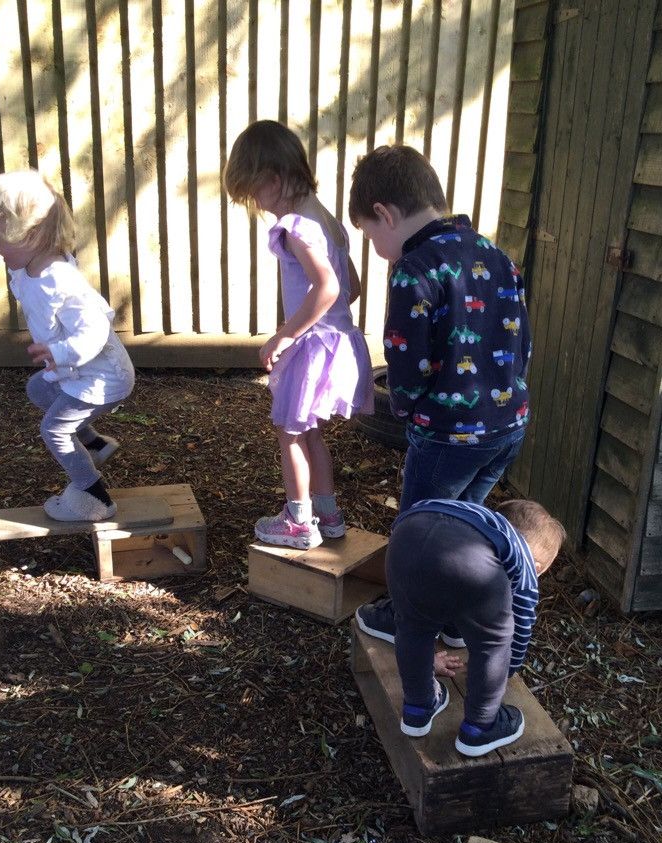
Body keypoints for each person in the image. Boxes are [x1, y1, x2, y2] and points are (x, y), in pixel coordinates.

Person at [348, 144, 532, 643]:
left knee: (418, 536)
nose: (374, 246)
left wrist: (402, 409)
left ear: (384, 214)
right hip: (507, 426)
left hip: (449, 434)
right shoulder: (497, 255)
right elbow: (521, 341)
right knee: (465, 530)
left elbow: (408, 362)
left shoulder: (415, 268)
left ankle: (406, 620)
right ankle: (454, 617)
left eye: (368, 233)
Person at [224, 120, 374, 550]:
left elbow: (326, 287)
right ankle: (327, 514)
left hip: (312, 349)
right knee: (309, 432)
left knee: (289, 432)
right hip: (339, 341)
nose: (257, 203)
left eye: (254, 193)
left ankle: (298, 521)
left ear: (273, 179)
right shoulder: (324, 219)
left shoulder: (296, 227)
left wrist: (285, 337)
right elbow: (352, 287)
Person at [0, 170, 134, 522]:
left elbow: (95, 330)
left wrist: (58, 353)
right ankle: (95, 444)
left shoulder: (60, 280)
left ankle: (94, 495)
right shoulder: (29, 267)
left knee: (53, 429)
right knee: (38, 390)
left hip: (101, 377)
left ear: (33, 234)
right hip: (77, 372)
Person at [385, 498, 565, 756]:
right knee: (495, 644)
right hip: (469, 563)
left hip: (407, 535)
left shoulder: (480, 518)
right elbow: (520, 628)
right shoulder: (523, 559)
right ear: (538, 567)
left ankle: (417, 707)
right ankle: (480, 728)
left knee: (414, 627)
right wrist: (505, 668)